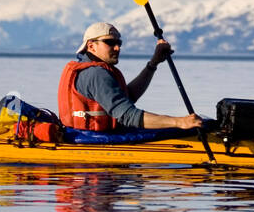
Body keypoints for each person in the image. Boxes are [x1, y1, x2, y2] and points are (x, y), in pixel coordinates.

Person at [58, 22, 203, 132]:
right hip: (92, 143)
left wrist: (153, 63)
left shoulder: (93, 69)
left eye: (119, 43)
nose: (117, 48)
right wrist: (179, 122)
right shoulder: (96, 74)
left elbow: (127, 98)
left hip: (89, 135)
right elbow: (127, 116)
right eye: (110, 43)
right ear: (91, 46)